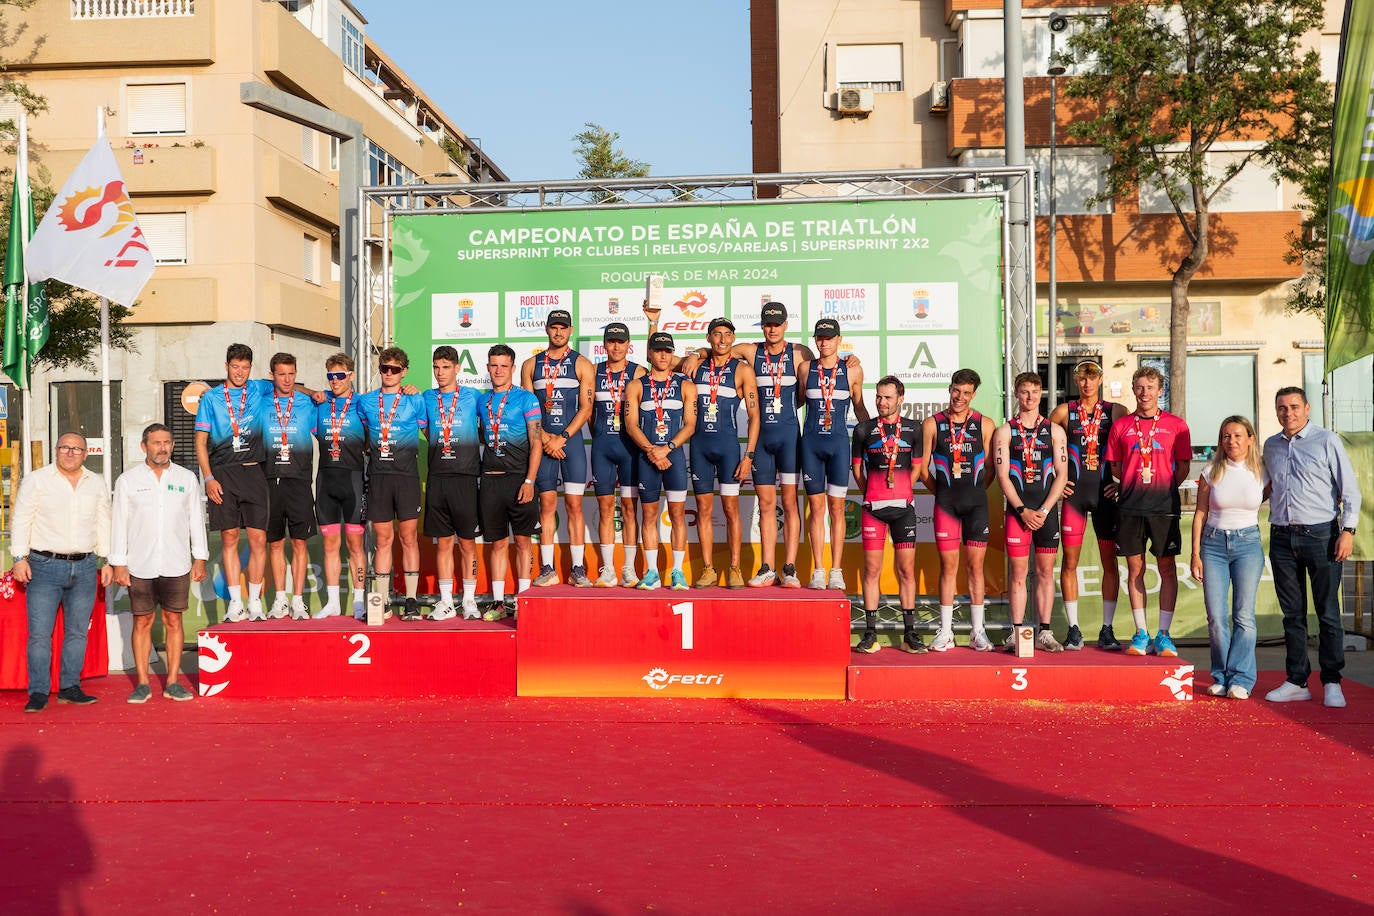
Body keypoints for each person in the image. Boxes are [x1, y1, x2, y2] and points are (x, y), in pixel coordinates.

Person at [1263, 387, 1362, 708]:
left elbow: (1350, 490)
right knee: (1292, 616)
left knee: (1328, 614)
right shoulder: (1270, 446)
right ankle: (1296, 680)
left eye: (1293, 407)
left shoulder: (1327, 441)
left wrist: (1347, 531)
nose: (1287, 413)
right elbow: (1263, 488)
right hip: (1281, 538)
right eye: (1281, 408)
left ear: (1307, 408)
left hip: (1322, 537)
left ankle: (1332, 681)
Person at [12, 433, 112, 713]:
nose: (70, 452)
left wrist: (109, 560)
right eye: (65, 447)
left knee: (78, 633)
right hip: (43, 565)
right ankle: (39, 692)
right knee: (40, 635)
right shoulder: (37, 479)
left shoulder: (96, 482)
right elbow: (21, 517)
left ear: (85, 453)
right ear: (56, 450)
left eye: (76, 448)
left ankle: (70, 687)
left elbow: (104, 520)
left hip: (84, 565)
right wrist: (19, 557)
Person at [109, 424, 208, 703]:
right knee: (142, 622)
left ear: (172, 445)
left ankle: (174, 682)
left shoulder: (187, 478)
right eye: (156, 443)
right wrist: (118, 562)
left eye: (166, 442)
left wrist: (199, 557)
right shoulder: (127, 480)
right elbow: (119, 523)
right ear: (144, 446)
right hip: (139, 563)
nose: (162, 448)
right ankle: (142, 683)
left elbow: (195, 521)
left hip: (177, 562)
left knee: (173, 621)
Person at [1104, 365, 1192, 657]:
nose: (1145, 393)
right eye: (1140, 387)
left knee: (1167, 569)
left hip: (1164, 508)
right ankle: (1141, 633)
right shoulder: (1121, 426)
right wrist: (1132, 484)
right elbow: (1116, 466)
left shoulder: (1177, 425)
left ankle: (1164, 634)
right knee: (1135, 569)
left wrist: (1163, 486)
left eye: (1150, 387)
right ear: (1133, 389)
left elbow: (1183, 467)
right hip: (1129, 507)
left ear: (1160, 390)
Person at [1049, 360, 1127, 650]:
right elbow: (1038, 444)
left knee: (1110, 563)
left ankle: (1107, 629)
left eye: (1092, 377)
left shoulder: (1116, 412)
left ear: (1101, 379)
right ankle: (1073, 629)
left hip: (1107, 496)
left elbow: (1133, 448)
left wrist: (1124, 483)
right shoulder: (1063, 412)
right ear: (1076, 380)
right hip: (1075, 496)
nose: (1086, 383)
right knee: (1069, 563)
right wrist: (1054, 482)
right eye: (1081, 378)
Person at [680, 317, 760, 589]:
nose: (722, 339)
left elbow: (754, 415)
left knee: (730, 509)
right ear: (708, 338)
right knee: (703, 509)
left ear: (733, 338)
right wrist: (691, 353)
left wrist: (748, 455)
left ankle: (735, 567)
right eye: (716, 334)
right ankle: (707, 568)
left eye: (727, 334)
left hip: (728, 448)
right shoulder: (696, 365)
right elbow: (655, 359)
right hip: (700, 447)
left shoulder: (742, 370)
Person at [1190, 416, 1267, 700]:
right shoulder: (1211, 470)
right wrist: (1195, 554)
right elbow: (1200, 513)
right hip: (1213, 545)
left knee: (1244, 615)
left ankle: (1241, 679)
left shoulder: (1262, 471)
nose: (1231, 441)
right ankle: (1220, 676)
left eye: (1237, 436)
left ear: (1250, 438)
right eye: (1225, 436)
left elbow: (1269, 497)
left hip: (1248, 544)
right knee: (1216, 617)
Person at [194, 343, 272, 622]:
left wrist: (314, 393)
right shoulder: (211, 398)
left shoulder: (259, 388)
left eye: (245, 367)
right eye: (235, 367)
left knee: (258, 540)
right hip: (223, 474)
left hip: (253, 473)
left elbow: (288, 386)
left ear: (251, 368)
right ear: (226, 366)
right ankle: (235, 603)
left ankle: (255, 602)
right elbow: (200, 442)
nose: (240, 372)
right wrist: (208, 478)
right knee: (228, 538)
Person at [993, 372, 1069, 653]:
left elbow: (1062, 475)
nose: (1030, 397)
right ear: (1016, 393)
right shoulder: (1005, 431)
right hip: (1018, 513)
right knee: (1018, 573)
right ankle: (1016, 632)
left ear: (1041, 394)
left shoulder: (1054, 431)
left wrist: (1045, 509)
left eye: (1035, 392)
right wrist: (1023, 510)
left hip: (1046, 512)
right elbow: (1003, 477)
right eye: (1024, 392)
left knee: (1046, 572)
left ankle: (1045, 633)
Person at [920, 369, 994, 651]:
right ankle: (946, 632)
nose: (959, 397)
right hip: (946, 505)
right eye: (955, 391)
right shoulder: (932, 424)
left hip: (976, 505)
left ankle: (978, 632)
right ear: (949, 389)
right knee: (948, 568)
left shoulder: (985, 424)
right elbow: (923, 469)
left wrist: (976, 491)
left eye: (966, 393)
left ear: (973, 395)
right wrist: (941, 493)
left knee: (976, 568)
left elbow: (990, 471)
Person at [521, 309, 595, 588]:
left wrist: (561, 437)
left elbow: (586, 408)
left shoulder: (583, 364)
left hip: (570, 443)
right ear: (547, 329)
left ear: (570, 330)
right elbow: (529, 410)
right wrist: (547, 438)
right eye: (554, 327)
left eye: (563, 327)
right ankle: (547, 568)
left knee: (574, 505)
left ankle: (578, 568)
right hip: (543, 443)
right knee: (547, 506)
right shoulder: (531, 365)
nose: (558, 332)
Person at [850, 376, 923, 653]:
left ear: (900, 399)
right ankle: (870, 633)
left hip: (903, 510)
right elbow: (857, 471)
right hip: (873, 510)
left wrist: (901, 489)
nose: (881, 402)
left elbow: (916, 468)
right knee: (871, 571)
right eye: (878, 397)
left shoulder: (914, 429)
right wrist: (872, 493)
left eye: (888, 398)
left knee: (906, 571)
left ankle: (910, 633)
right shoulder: (862, 430)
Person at [357, 346, 428, 621]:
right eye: (384, 368)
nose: (389, 373)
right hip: (378, 477)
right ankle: (382, 601)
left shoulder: (415, 399)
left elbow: (429, 431)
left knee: (408, 538)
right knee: (383, 540)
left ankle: (411, 600)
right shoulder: (366, 401)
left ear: (404, 371)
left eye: (394, 369)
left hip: (407, 476)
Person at [797, 318, 868, 590]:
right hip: (811, 445)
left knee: (837, 509)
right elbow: (799, 400)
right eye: (819, 337)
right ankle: (818, 569)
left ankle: (836, 569)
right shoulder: (806, 368)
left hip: (839, 445)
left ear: (839, 339)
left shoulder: (853, 370)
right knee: (816, 509)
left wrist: (875, 437)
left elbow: (860, 409)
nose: (823, 342)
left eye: (829, 337)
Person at [625, 331, 698, 590]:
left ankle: (678, 571)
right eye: (658, 350)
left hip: (674, 457)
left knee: (678, 516)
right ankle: (652, 571)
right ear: (650, 354)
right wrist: (651, 451)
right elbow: (630, 424)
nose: (663, 355)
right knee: (649, 516)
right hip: (647, 458)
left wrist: (665, 449)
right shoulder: (636, 385)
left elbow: (690, 425)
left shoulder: (685, 385)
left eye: (668, 351)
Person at [476, 344, 543, 621]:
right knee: (498, 543)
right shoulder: (482, 401)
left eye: (504, 365)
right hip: (490, 481)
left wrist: (530, 480)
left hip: (519, 480)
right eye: (494, 365)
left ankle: (524, 601)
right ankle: (498, 602)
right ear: (488, 367)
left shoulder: (526, 399)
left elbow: (537, 442)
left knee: (524, 541)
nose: (498, 370)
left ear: (513, 368)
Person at [423, 345, 483, 620]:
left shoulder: (473, 397)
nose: (440, 373)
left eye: (446, 367)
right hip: (438, 477)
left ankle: (469, 600)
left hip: (466, 477)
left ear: (458, 368)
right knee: (444, 544)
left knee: (468, 543)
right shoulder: (426, 397)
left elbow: (492, 423)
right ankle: (446, 601)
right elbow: (425, 429)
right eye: (436, 367)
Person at [589, 322, 646, 588]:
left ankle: (629, 569)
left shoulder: (639, 372)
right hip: (602, 447)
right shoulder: (593, 371)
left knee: (630, 509)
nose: (615, 346)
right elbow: (588, 413)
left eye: (620, 342)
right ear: (604, 344)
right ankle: (608, 568)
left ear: (628, 344)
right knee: (604, 508)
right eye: (611, 341)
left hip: (630, 449)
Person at [312, 353, 367, 620]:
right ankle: (333, 602)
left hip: (353, 479)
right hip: (325, 480)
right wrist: (313, 391)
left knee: (355, 545)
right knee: (330, 545)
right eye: (331, 376)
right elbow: (286, 388)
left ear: (351, 376)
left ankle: (358, 603)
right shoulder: (320, 403)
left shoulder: (363, 403)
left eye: (340, 375)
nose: (335, 381)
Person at [262, 353, 317, 621]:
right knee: (274, 544)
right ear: (272, 374)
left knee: (299, 543)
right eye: (281, 374)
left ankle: (298, 601)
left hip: (299, 481)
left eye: (291, 374)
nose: (287, 379)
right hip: (269, 480)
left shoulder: (308, 403)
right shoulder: (260, 403)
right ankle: (279, 600)